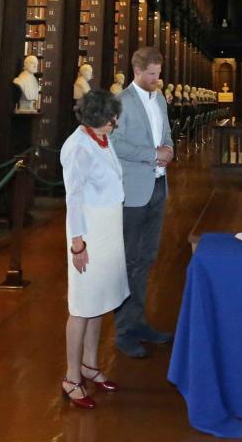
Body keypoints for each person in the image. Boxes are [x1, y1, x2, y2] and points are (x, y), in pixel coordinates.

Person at [60, 90, 129, 409]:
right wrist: (78, 244)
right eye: (111, 118)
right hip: (88, 233)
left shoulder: (101, 137)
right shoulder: (78, 147)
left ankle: (90, 363)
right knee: (82, 305)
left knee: (101, 300)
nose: (115, 123)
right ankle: (72, 377)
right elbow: (73, 197)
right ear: (97, 118)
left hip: (108, 229)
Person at [112, 46, 174, 358]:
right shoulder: (121, 102)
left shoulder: (159, 98)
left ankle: (139, 321)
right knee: (128, 261)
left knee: (147, 258)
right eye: (151, 75)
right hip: (133, 192)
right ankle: (124, 329)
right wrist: (152, 155)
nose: (156, 79)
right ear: (137, 71)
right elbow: (114, 142)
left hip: (158, 186)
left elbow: (166, 134)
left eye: (158, 74)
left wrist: (169, 150)